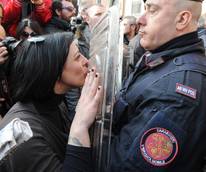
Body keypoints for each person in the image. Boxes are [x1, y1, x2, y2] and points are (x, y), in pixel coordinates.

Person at [63, 0, 206, 171]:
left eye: (152, 10)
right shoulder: (160, 57)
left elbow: (123, 167)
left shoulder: (177, 92)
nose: (141, 20)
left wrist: (81, 129)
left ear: (182, 19)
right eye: (144, 9)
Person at [0, 32, 102, 171]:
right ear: (52, 70)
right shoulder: (21, 135)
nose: (86, 61)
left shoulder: (56, 103)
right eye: (77, 57)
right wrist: (80, 126)